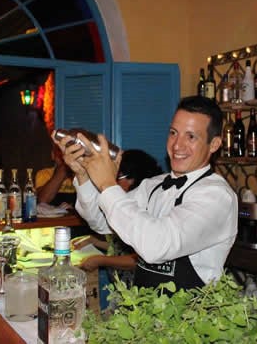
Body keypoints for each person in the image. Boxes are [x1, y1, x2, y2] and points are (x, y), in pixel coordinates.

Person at [54, 95, 238, 291]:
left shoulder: (217, 196)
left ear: (215, 144)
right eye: (174, 133)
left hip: (189, 317)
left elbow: (156, 246)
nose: (177, 145)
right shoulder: (153, 185)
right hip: (144, 314)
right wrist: (83, 175)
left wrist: (108, 183)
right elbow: (101, 220)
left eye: (190, 136)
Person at [73, 149, 163, 287]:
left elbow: (139, 259)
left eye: (116, 178)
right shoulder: (127, 203)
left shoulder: (147, 207)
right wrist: (94, 241)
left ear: (131, 178)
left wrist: (102, 260)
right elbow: (121, 246)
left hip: (137, 289)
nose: (113, 183)